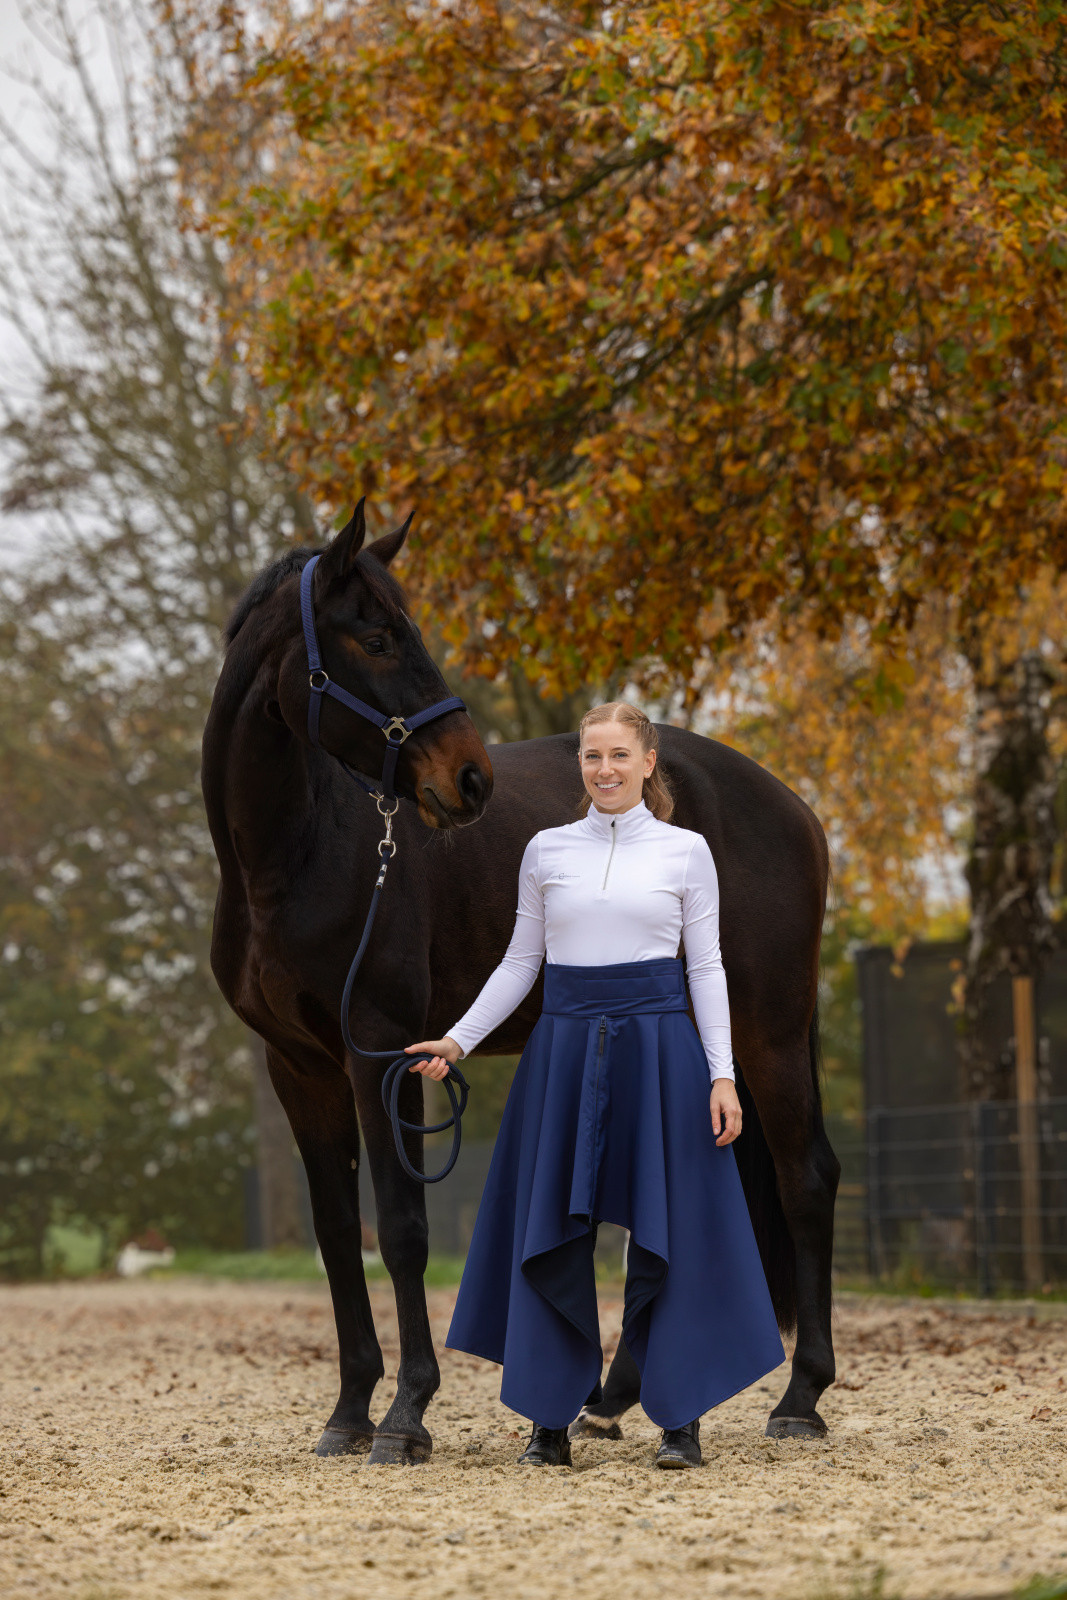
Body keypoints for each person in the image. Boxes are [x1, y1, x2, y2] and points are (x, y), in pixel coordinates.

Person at [405, 703, 784, 1469]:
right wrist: (458, 1038)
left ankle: (680, 1420)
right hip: (564, 1049)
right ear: (580, 765)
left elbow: (704, 967)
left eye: (618, 755)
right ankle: (548, 1420)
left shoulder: (685, 852)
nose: (603, 770)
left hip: (662, 1047)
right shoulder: (545, 849)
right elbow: (520, 962)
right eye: (590, 757)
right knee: (551, 1227)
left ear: (648, 762)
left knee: (670, 1225)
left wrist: (722, 1075)